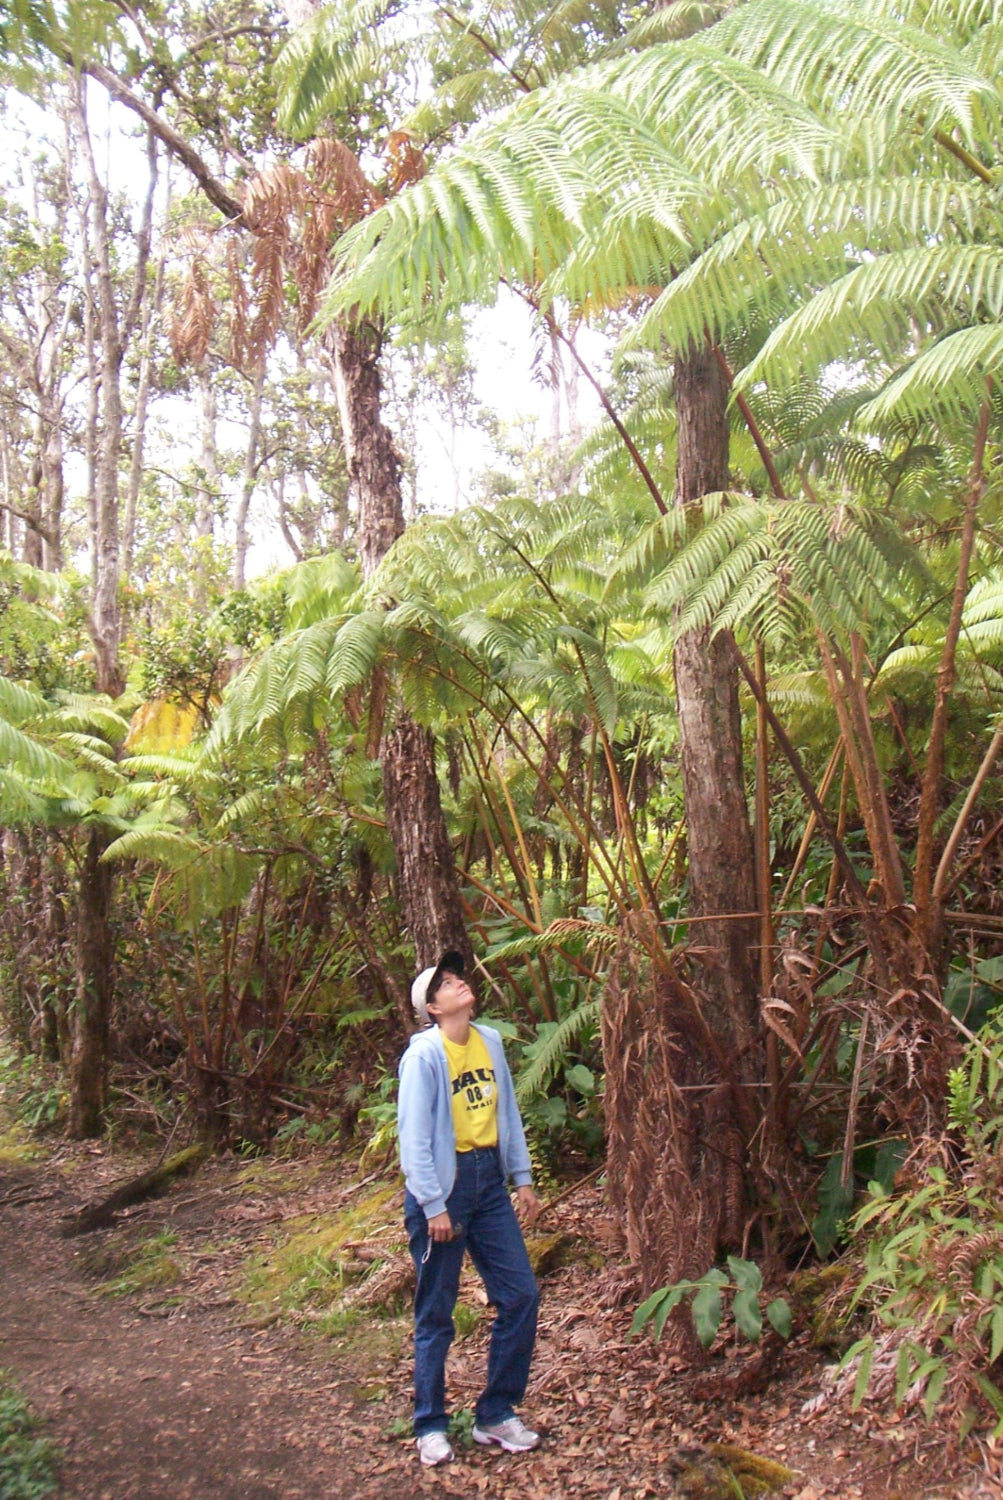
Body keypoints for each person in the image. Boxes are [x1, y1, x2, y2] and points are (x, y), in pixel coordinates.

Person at [397, 948, 542, 1467]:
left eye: (459, 976)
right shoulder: (424, 1055)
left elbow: (508, 1112)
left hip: (488, 1184)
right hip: (444, 1189)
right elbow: (413, 1138)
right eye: (446, 982)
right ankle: (430, 1424)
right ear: (432, 1008)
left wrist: (522, 1178)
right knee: (437, 1311)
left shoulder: (491, 1043)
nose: (459, 983)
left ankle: (496, 1412)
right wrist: (433, 1204)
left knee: (521, 1295)